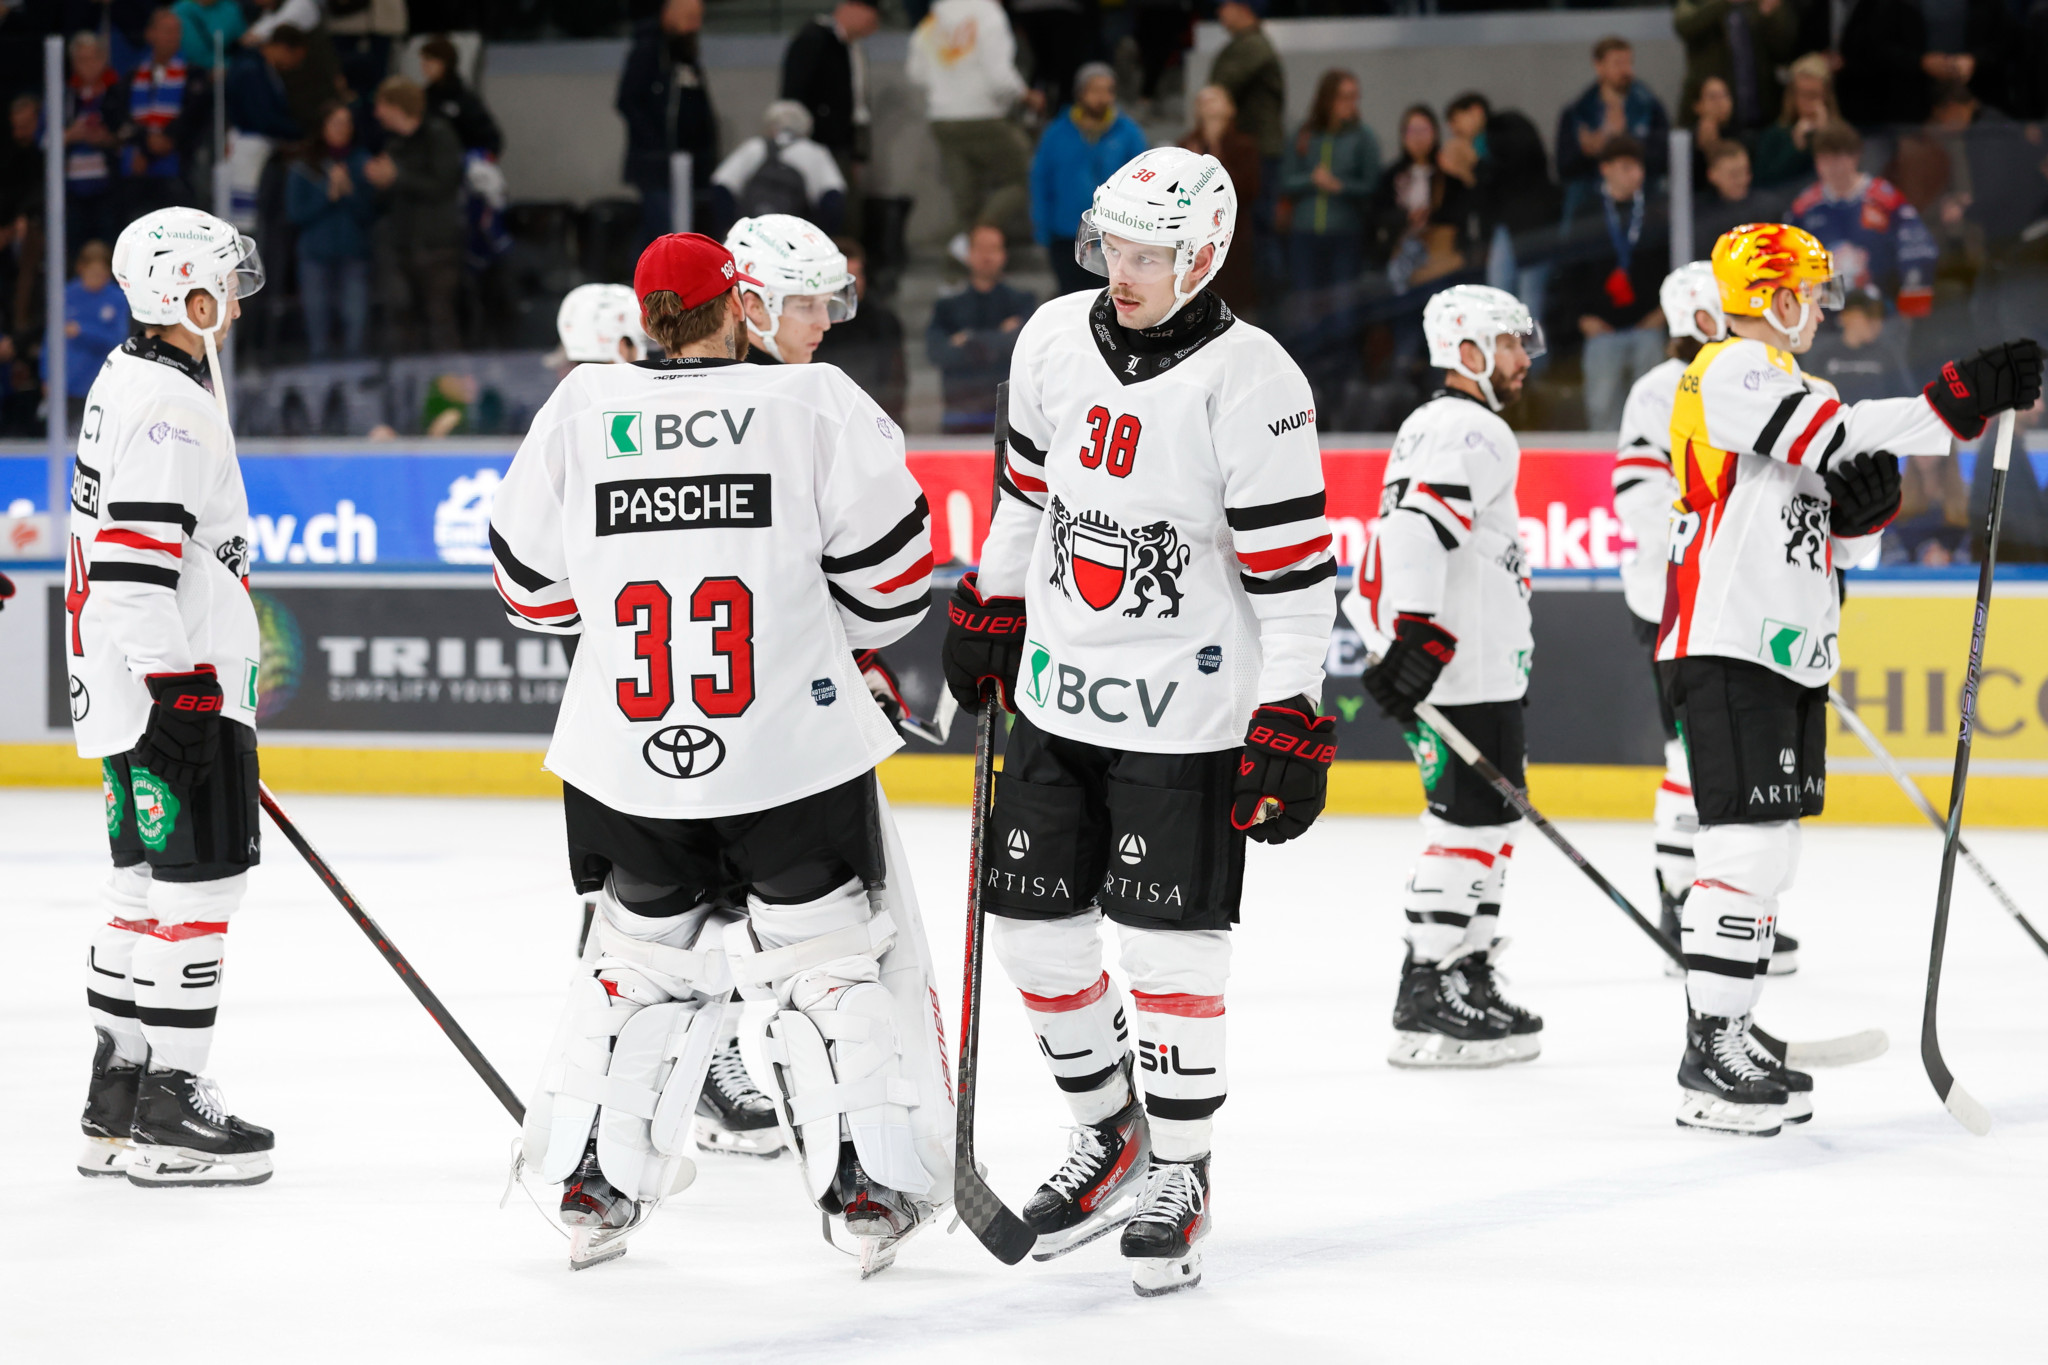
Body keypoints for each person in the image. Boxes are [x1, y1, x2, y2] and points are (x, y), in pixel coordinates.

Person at [492, 230, 950, 1271]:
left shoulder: (579, 407)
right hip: (787, 746)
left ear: (639, 316)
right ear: (737, 304)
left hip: (629, 753)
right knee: (822, 968)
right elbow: (893, 583)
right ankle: (865, 1191)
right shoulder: (810, 403)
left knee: (637, 968)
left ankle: (586, 1184)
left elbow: (529, 591)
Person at [942, 145, 1337, 1296]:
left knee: (1168, 947)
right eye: (1111, 246)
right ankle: (1110, 1131)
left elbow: (1293, 579)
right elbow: (1026, 490)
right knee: (1031, 930)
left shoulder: (1254, 380)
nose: (1123, 269)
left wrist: (1291, 711)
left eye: (1149, 253)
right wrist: (991, 597)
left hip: (1190, 712)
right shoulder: (1051, 338)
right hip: (1059, 697)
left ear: (1202, 253)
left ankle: (1183, 1171)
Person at [1659, 221, 2039, 1134]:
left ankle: (1735, 1030)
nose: (1821, 311)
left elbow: (1834, 544)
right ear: (1773, 296)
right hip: (1725, 638)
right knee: (1744, 850)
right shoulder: (1727, 367)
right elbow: (1834, 432)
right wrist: (1956, 399)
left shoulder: (1800, 386)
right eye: (1812, 293)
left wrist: (1863, 518)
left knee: (1772, 851)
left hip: (1785, 645)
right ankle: (1708, 1053)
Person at [69, 206, 272, 1188]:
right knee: (197, 894)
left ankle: (116, 1100)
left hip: (123, 687)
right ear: (187, 294)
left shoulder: (130, 378)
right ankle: (169, 1112)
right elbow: (131, 564)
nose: (234, 300)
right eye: (223, 283)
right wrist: (180, 687)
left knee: (142, 889)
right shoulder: (170, 407)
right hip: (167, 685)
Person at [1342, 284, 1546, 1070]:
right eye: (1509, 343)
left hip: (1481, 668)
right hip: (1462, 673)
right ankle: (1424, 991)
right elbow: (1415, 528)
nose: (1523, 359)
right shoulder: (1470, 426)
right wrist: (1420, 633)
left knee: (1488, 828)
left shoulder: (1445, 424)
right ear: (1467, 350)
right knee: (1464, 828)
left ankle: (1467, 968)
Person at [1606, 261, 1797, 972]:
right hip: (1679, 606)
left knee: (1723, 754)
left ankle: (1720, 904)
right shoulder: (1662, 389)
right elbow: (1643, 500)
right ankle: (1682, 900)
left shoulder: (1736, 383)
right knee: (1694, 755)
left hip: (1728, 604)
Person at [1556, 136, 1668, 431]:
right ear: (1606, 169)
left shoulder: (1655, 211)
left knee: (1655, 404)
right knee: (1602, 406)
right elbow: (1570, 269)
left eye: (1639, 167)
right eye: (1627, 167)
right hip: (1602, 327)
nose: (1637, 174)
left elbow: (1670, 264)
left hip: (1648, 324)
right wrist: (1582, 318)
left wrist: (1663, 312)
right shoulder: (1587, 213)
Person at [906, 0, 1031, 258]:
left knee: (966, 202)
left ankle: (964, 261)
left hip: (942, 120)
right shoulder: (987, 14)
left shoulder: (933, 18)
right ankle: (981, 237)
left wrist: (946, 91)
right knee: (1024, 176)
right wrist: (1024, 95)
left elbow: (916, 73)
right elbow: (1000, 77)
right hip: (984, 115)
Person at [1789, 123, 1937, 318]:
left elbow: (1919, 251)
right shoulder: (1803, 209)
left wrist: (1910, 312)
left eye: (1838, 158)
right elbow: (1788, 267)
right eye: (1824, 159)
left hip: (1883, 312)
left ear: (1855, 157)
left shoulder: (1886, 199)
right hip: (1827, 319)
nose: (1832, 167)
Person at [1279, 69, 1377, 361]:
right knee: (1306, 304)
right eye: (1344, 97)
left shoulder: (1362, 137)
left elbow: (1371, 185)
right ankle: (1310, 369)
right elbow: (1285, 181)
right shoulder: (1305, 133)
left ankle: (1342, 367)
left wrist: (1340, 186)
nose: (1351, 103)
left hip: (1344, 233)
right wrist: (1313, 180)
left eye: (1354, 97)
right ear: (1328, 99)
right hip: (1305, 233)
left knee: (1343, 305)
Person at [364, 76, 465, 354]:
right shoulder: (395, 145)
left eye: (381, 105)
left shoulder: (439, 135)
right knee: (400, 320)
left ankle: (449, 392)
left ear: (397, 106)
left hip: (437, 248)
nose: (376, 113)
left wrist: (397, 177)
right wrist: (381, 182)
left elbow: (444, 184)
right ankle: (407, 388)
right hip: (401, 247)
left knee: (439, 320)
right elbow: (384, 200)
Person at [1029, 63, 1148, 299]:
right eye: (1095, 90)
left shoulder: (1128, 133)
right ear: (1080, 93)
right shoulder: (1057, 132)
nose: (1101, 97)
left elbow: (1143, 182)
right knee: (1073, 300)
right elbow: (1040, 180)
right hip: (1066, 234)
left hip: (1115, 234)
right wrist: (1042, 227)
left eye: (1108, 90)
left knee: (1112, 299)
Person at [1442, 92, 1559, 323]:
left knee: (1529, 298)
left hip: (1533, 223)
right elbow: (1484, 195)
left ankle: (1531, 357)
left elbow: (1515, 171)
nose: (1455, 131)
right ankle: (1512, 355)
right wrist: (1463, 172)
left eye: (1456, 120)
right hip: (1505, 227)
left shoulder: (1507, 126)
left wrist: (1473, 161)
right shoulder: (1478, 145)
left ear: (1476, 111)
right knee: (1500, 293)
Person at [616, 0, 720, 251]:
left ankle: (648, 283)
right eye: (690, 17)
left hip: (688, 163)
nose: (696, 25)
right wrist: (657, 145)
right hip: (658, 164)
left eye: (698, 17)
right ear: (669, 15)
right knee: (664, 233)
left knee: (670, 233)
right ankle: (647, 285)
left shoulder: (687, 53)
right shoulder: (650, 49)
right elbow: (627, 100)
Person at [286, 101, 375, 361]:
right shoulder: (303, 166)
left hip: (353, 254)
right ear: (323, 127)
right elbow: (295, 214)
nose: (343, 129)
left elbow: (370, 213)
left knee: (356, 321)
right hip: (315, 255)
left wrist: (349, 193)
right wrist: (328, 194)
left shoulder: (361, 162)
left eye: (347, 123)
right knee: (318, 325)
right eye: (336, 123)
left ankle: (355, 382)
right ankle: (321, 389)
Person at [927, 222, 1033, 432]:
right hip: (959, 415)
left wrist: (966, 339)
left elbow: (1023, 349)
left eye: (993, 249)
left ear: (1004, 254)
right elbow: (937, 352)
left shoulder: (1023, 302)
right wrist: (999, 337)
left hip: (1011, 419)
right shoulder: (947, 307)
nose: (987, 256)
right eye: (981, 249)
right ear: (969, 254)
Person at [723, 212, 860, 366]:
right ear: (754, 308)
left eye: (826, 302)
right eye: (806, 306)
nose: (824, 323)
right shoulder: (726, 387)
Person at [1555, 36, 1670, 208]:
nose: (1626, 70)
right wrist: (1588, 151)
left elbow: (1666, 156)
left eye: (1628, 63)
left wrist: (1624, 140)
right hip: (1591, 204)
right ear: (1599, 66)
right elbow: (1564, 168)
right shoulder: (1577, 112)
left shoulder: (1649, 106)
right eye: (1617, 63)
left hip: (1645, 200)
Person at [781, 0, 880, 193]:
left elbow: (856, 104)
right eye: (871, 19)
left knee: (845, 203)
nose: (873, 28)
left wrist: (856, 151)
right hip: (816, 141)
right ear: (853, 9)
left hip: (842, 141)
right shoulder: (813, 39)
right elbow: (793, 93)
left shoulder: (852, 48)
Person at [1178, 85, 1261, 315]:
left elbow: (1248, 191)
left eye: (1215, 98)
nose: (1208, 102)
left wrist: (1215, 157)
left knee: (1234, 303)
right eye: (1202, 99)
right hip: (1194, 236)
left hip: (1233, 237)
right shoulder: (1186, 145)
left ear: (1230, 108)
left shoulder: (1245, 146)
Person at [708, 101, 847, 237]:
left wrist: (726, 230)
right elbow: (833, 198)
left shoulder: (754, 147)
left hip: (751, 235)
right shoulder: (815, 153)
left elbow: (721, 184)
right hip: (794, 240)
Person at [122, 6, 206, 218]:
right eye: (166, 30)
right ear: (150, 34)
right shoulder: (132, 75)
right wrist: (145, 142)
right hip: (137, 174)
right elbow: (120, 116)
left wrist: (166, 139)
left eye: (177, 31)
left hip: (180, 171)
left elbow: (195, 117)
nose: (173, 36)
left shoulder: (194, 75)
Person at [813, 236, 907, 424]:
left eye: (859, 274)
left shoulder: (884, 321)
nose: (856, 284)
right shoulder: (812, 323)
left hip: (874, 418)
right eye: (847, 277)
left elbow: (896, 379)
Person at [1674, 0, 1798, 136]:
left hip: (1763, 111)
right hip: (1714, 116)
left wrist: (1770, 15)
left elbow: (1785, 48)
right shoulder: (1698, 3)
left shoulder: (1756, 4)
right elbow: (1684, 25)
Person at [47, 240, 132, 426]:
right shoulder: (65, 295)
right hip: (68, 385)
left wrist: (82, 331)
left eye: (102, 274)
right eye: (92, 274)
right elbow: (49, 341)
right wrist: (46, 376)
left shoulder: (118, 299)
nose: (97, 279)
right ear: (81, 269)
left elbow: (119, 340)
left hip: (102, 383)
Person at [64, 32, 128, 257]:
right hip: (70, 188)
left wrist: (106, 139)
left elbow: (128, 132)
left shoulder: (117, 91)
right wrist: (69, 135)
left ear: (103, 60)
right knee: (74, 250)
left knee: (110, 249)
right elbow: (44, 138)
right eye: (81, 60)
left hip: (108, 187)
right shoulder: (65, 95)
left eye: (93, 58)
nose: (88, 65)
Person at [1752, 53, 1836, 189]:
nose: (1808, 102)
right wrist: (1796, 147)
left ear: (1826, 96)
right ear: (1792, 96)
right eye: (1803, 94)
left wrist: (1825, 136)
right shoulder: (1773, 135)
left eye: (1814, 94)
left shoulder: (1840, 133)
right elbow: (1762, 183)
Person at [418, 35, 502, 158]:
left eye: (429, 60)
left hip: (461, 163)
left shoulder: (464, 98)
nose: (424, 65)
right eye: (423, 60)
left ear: (444, 62)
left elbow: (491, 139)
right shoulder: (424, 96)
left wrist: (475, 160)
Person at [1010, 0, 1092, 117]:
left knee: (1050, 63)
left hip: (1046, 9)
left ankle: (1057, 113)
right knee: (1047, 63)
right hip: (1043, 10)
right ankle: (1035, 109)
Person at [1696, 138, 1784, 245]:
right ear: (1712, 175)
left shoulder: (1769, 208)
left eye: (1745, 171)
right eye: (1733, 175)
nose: (1741, 180)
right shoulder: (1699, 216)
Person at [173, 0, 246, 68]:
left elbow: (242, 40)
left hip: (230, 67)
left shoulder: (230, 7)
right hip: (191, 68)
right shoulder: (180, 10)